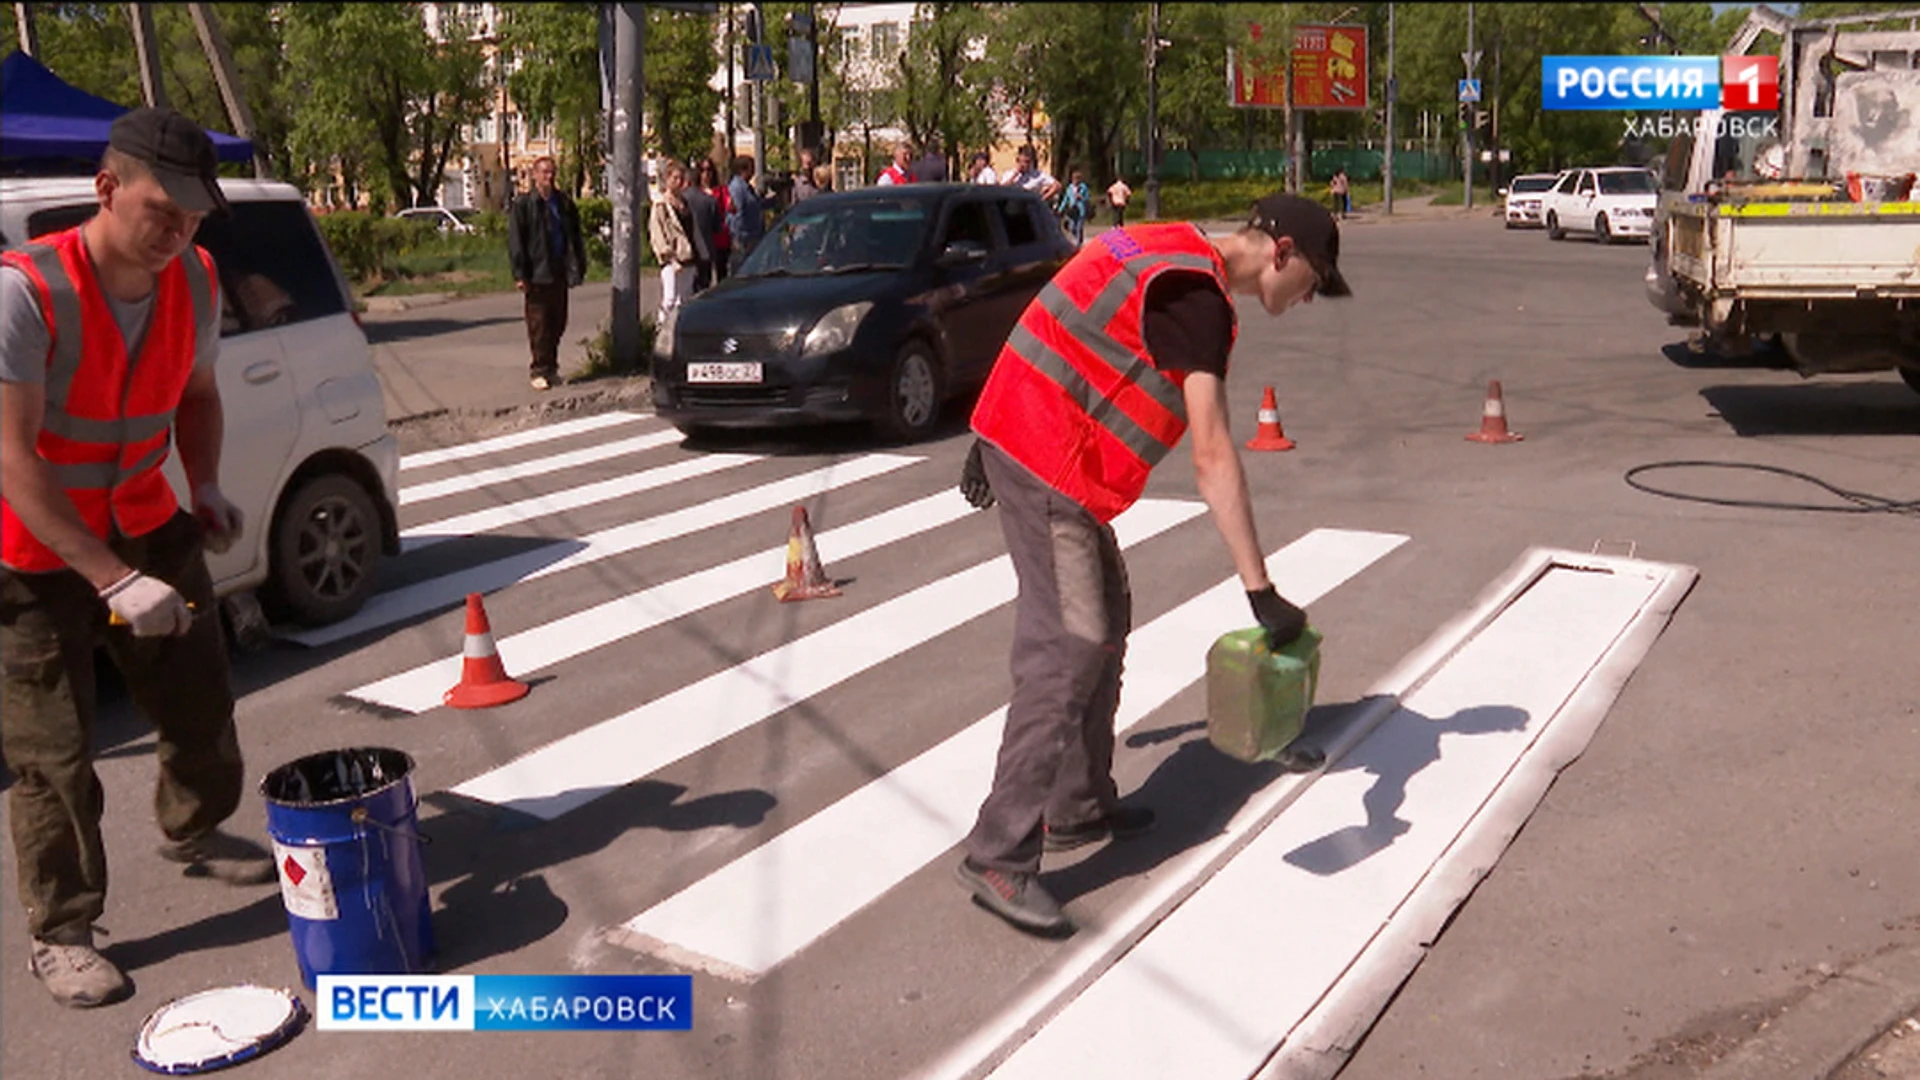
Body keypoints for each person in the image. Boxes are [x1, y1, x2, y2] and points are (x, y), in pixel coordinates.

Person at [952, 193, 1352, 935]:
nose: (1304, 302)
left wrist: (989, 421)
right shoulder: (1198, 302)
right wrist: (1260, 590)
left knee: (1105, 625)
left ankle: (1077, 805)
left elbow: (1061, 307)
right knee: (1069, 646)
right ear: (1283, 252)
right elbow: (1211, 455)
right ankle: (999, 851)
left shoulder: (1159, 242)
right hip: (1047, 462)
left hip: (1035, 442)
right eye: (1313, 283)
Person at [0, 107, 278, 1010]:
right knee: (55, 754)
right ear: (107, 188)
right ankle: (64, 930)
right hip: (34, 553)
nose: (180, 233)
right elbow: (12, 459)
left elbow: (197, 396)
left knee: (200, 698)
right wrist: (112, 580)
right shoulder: (26, 291)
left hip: (148, 518)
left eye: (196, 217)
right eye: (164, 210)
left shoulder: (194, 280)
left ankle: (193, 832)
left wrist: (202, 485)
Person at [507, 155, 586, 391]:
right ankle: (539, 369)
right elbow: (516, 241)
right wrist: (520, 274)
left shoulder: (562, 203)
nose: (548, 177)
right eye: (544, 173)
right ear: (534, 175)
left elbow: (574, 236)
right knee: (539, 324)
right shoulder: (524, 205)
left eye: (551, 172)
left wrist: (577, 265)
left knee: (558, 322)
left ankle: (551, 367)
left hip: (558, 270)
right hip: (536, 273)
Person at [648, 160, 697, 314]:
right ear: (667, 179)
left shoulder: (684, 202)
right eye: (675, 178)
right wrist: (670, 258)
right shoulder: (661, 204)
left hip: (688, 255)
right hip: (672, 258)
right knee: (670, 298)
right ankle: (661, 328)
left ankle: (679, 332)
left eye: (681, 178)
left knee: (685, 299)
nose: (679, 181)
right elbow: (657, 234)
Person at [682, 159, 721, 295]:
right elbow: (717, 228)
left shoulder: (681, 200)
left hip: (685, 253)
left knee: (683, 293)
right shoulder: (710, 201)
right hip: (705, 251)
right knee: (703, 291)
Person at [725, 154, 767, 275]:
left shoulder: (747, 188)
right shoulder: (737, 188)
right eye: (751, 168)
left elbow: (757, 205)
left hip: (753, 237)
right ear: (743, 169)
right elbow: (736, 215)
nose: (753, 171)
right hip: (744, 241)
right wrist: (740, 238)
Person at [695, 157, 733, 287]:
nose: (706, 174)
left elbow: (730, 208)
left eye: (709, 170)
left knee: (722, 275)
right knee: (703, 277)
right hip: (703, 239)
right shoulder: (695, 192)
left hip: (720, 238)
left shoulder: (721, 191)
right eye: (702, 170)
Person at [1056, 167, 1091, 246]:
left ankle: (1078, 244)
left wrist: (1081, 197)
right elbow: (1066, 199)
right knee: (1072, 227)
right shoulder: (1069, 188)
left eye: (1077, 178)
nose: (1075, 180)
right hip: (1072, 210)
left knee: (1079, 227)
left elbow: (1087, 198)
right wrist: (1060, 209)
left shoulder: (1083, 187)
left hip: (1080, 210)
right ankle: (1079, 238)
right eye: (1074, 178)